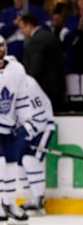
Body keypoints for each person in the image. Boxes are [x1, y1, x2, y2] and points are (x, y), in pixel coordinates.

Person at [15, 75, 55, 216]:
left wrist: (21, 132)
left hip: (43, 127)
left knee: (30, 160)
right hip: (24, 128)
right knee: (18, 163)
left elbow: (41, 117)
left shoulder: (28, 85)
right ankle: (30, 200)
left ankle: (38, 200)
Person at [0, 35, 29, 225]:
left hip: (9, 125)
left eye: (2, 45)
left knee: (11, 164)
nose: (0, 49)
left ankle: (9, 202)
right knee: (0, 163)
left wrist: (24, 121)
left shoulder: (17, 69)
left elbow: (22, 97)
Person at [18, 14, 66, 112]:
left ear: (29, 25)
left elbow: (35, 69)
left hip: (45, 89)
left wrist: (26, 85)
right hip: (57, 87)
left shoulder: (36, 40)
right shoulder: (48, 35)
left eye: (22, 28)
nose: (21, 31)